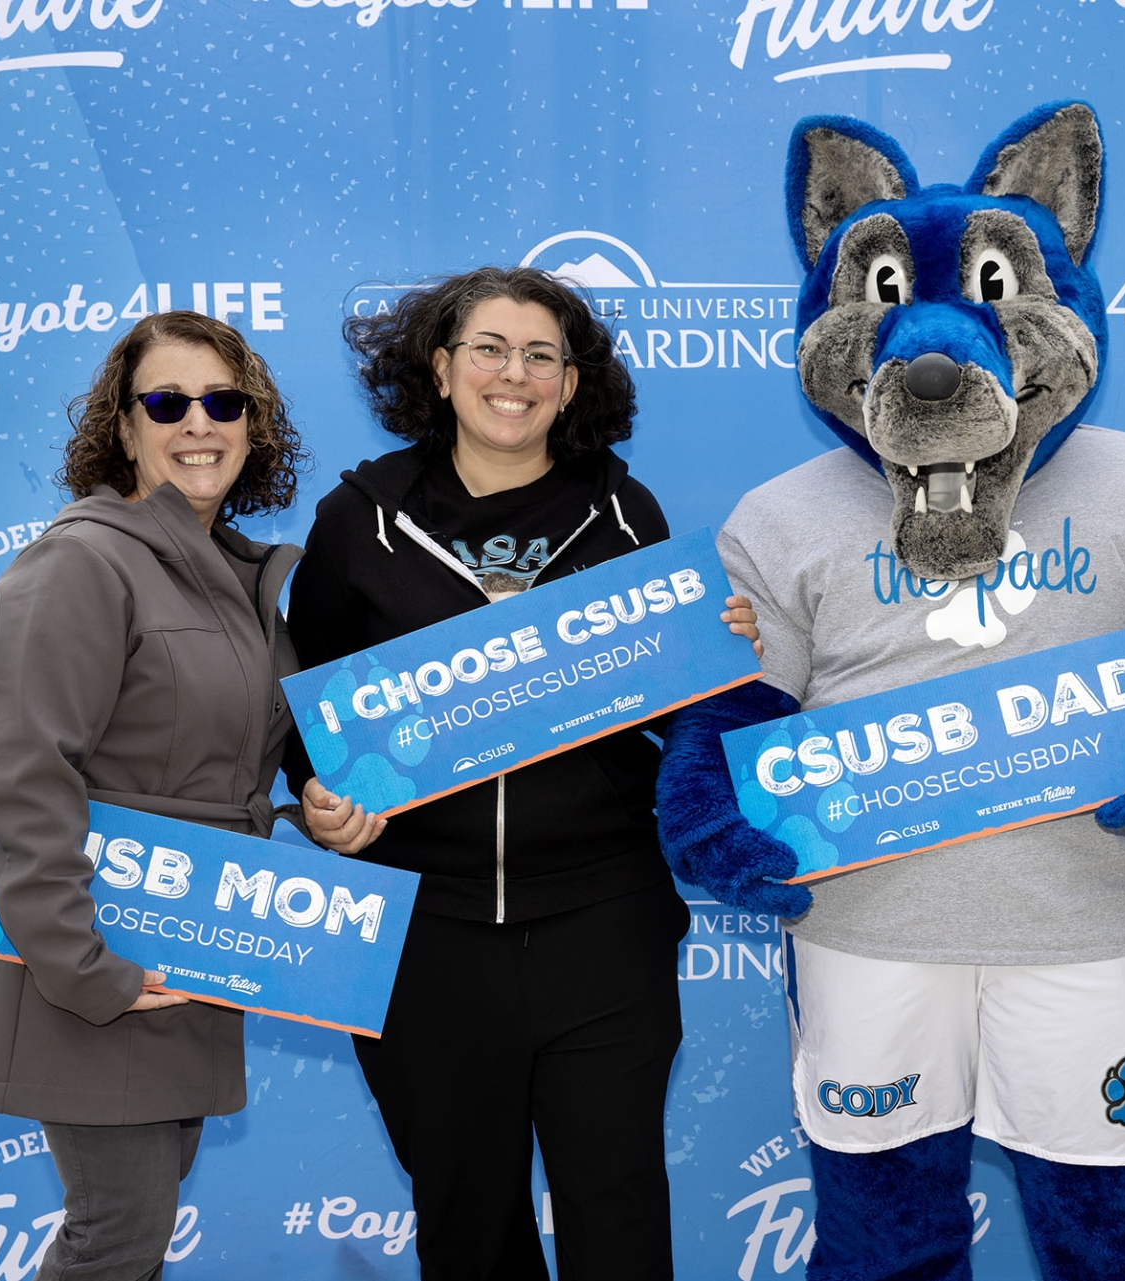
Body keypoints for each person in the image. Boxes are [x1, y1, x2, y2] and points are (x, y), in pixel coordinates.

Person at [285, 265, 758, 1280]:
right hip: (426, 937)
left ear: (572, 384)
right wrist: (322, 802)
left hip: (603, 919)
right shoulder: (358, 520)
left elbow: (672, 712)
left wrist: (718, 652)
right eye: (490, 350)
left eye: (542, 355)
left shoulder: (627, 513)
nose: (516, 373)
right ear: (443, 369)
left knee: (617, 1213)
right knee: (468, 1226)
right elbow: (309, 718)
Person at [0, 310, 309, 1280]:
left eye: (223, 401)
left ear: (254, 422)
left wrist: (320, 799)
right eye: (168, 401)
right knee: (116, 1239)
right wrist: (86, 969)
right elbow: (27, 782)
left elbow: (249, 744)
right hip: (100, 968)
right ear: (122, 424)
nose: (199, 422)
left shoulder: (237, 576)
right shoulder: (81, 563)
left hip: (183, 955)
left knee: (133, 1242)